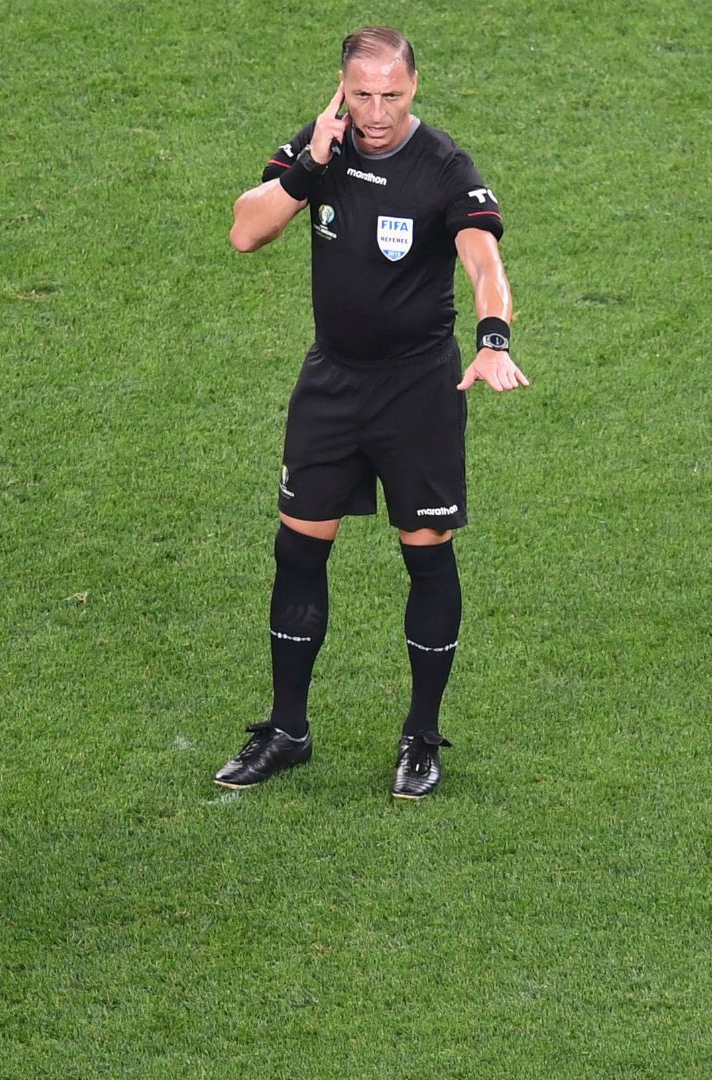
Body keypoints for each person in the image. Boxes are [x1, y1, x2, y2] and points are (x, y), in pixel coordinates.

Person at [214, 27, 528, 799]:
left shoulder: (445, 167)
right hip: (332, 385)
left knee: (426, 553)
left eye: (391, 94)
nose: (376, 111)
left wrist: (493, 340)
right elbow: (245, 232)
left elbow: (485, 262)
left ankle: (420, 738)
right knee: (297, 551)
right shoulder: (321, 148)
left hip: (418, 392)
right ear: (342, 89)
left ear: (414, 87)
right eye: (362, 94)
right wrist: (311, 166)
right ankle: (288, 729)